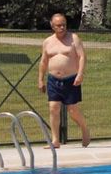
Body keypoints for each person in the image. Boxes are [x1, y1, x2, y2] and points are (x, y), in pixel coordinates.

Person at [37, 12, 90, 149]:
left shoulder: (73, 38)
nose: (62, 28)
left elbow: (82, 57)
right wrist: (40, 79)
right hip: (53, 79)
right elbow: (43, 61)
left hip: (71, 79)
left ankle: (84, 128)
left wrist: (80, 74)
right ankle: (55, 140)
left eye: (64, 25)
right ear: (52, 26)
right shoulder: (47, 42)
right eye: (58, 25)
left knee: (72, 110)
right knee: (53, 108)